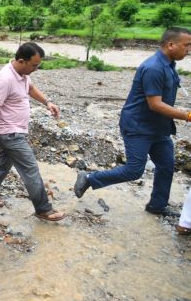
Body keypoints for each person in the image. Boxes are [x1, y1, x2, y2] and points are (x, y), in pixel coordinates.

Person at [74, 27, 191, 217]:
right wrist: (187, 116)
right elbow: (155, 104)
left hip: (159, 127)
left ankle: (157, 205)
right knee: (134, 171)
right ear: (171, 45)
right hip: (139, 126)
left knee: (167, 165)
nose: (189, 50)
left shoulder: (169, 65)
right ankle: (88, 177)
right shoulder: (153, 68)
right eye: (187, 45)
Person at [0, 42, 65, 222]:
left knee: (3, 165)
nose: (36, 69)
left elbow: (30, 88)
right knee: (30, 168)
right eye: (34, 65)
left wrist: (47, 102)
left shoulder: (23, 74)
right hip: (9, 133)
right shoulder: (6, 78)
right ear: (22, 61)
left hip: (15, 131)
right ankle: (43, 208)